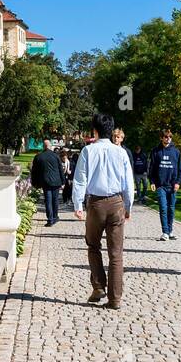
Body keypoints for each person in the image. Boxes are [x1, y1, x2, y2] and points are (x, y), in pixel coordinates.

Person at [72, 113, 134, 310]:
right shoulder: (121, 153)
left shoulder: (88, 151)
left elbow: (80, 179)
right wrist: (128, 206)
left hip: (96, 204)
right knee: (116, 254)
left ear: (95, 130)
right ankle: (115, 299)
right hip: (117, 202)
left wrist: (78, 205)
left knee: (93, 245)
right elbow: (128, 182)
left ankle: (99, 286)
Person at [149, 128, 181, 241]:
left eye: (170, 137)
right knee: (163, 208)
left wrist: (178, 182)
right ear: (161, 138)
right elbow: (152, 169)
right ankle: (165, 232)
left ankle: (170, 231)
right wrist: (152, 182)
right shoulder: (156, 151)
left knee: (171, 208)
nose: (168, 139)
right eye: (166, 137)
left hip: (172, 185)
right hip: (161, 185)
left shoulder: (176, 152)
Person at [30, 138, 64, 226]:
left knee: (48, 200)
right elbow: (60, 169)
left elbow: (34, 171)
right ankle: (55, 217)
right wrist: (63, 181)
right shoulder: (56, 156)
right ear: (50, 146)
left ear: (43, 146)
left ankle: (50, 219)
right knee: (55, 200)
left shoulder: (39, 156)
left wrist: (34, 182)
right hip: (56, 181)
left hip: (45, 181)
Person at [132, 138, 151, 203]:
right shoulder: (133, 155)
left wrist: (146, 171)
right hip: (137, 173)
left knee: (145, 186)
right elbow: (132, 164)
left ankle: (143, 196)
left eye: (138, 149)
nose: (137, 150)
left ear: (140, 149)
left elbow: (147, 163)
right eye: (136, 149)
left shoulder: (143, 155)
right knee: (138, 186)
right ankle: (139, 197)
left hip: (144, 173)